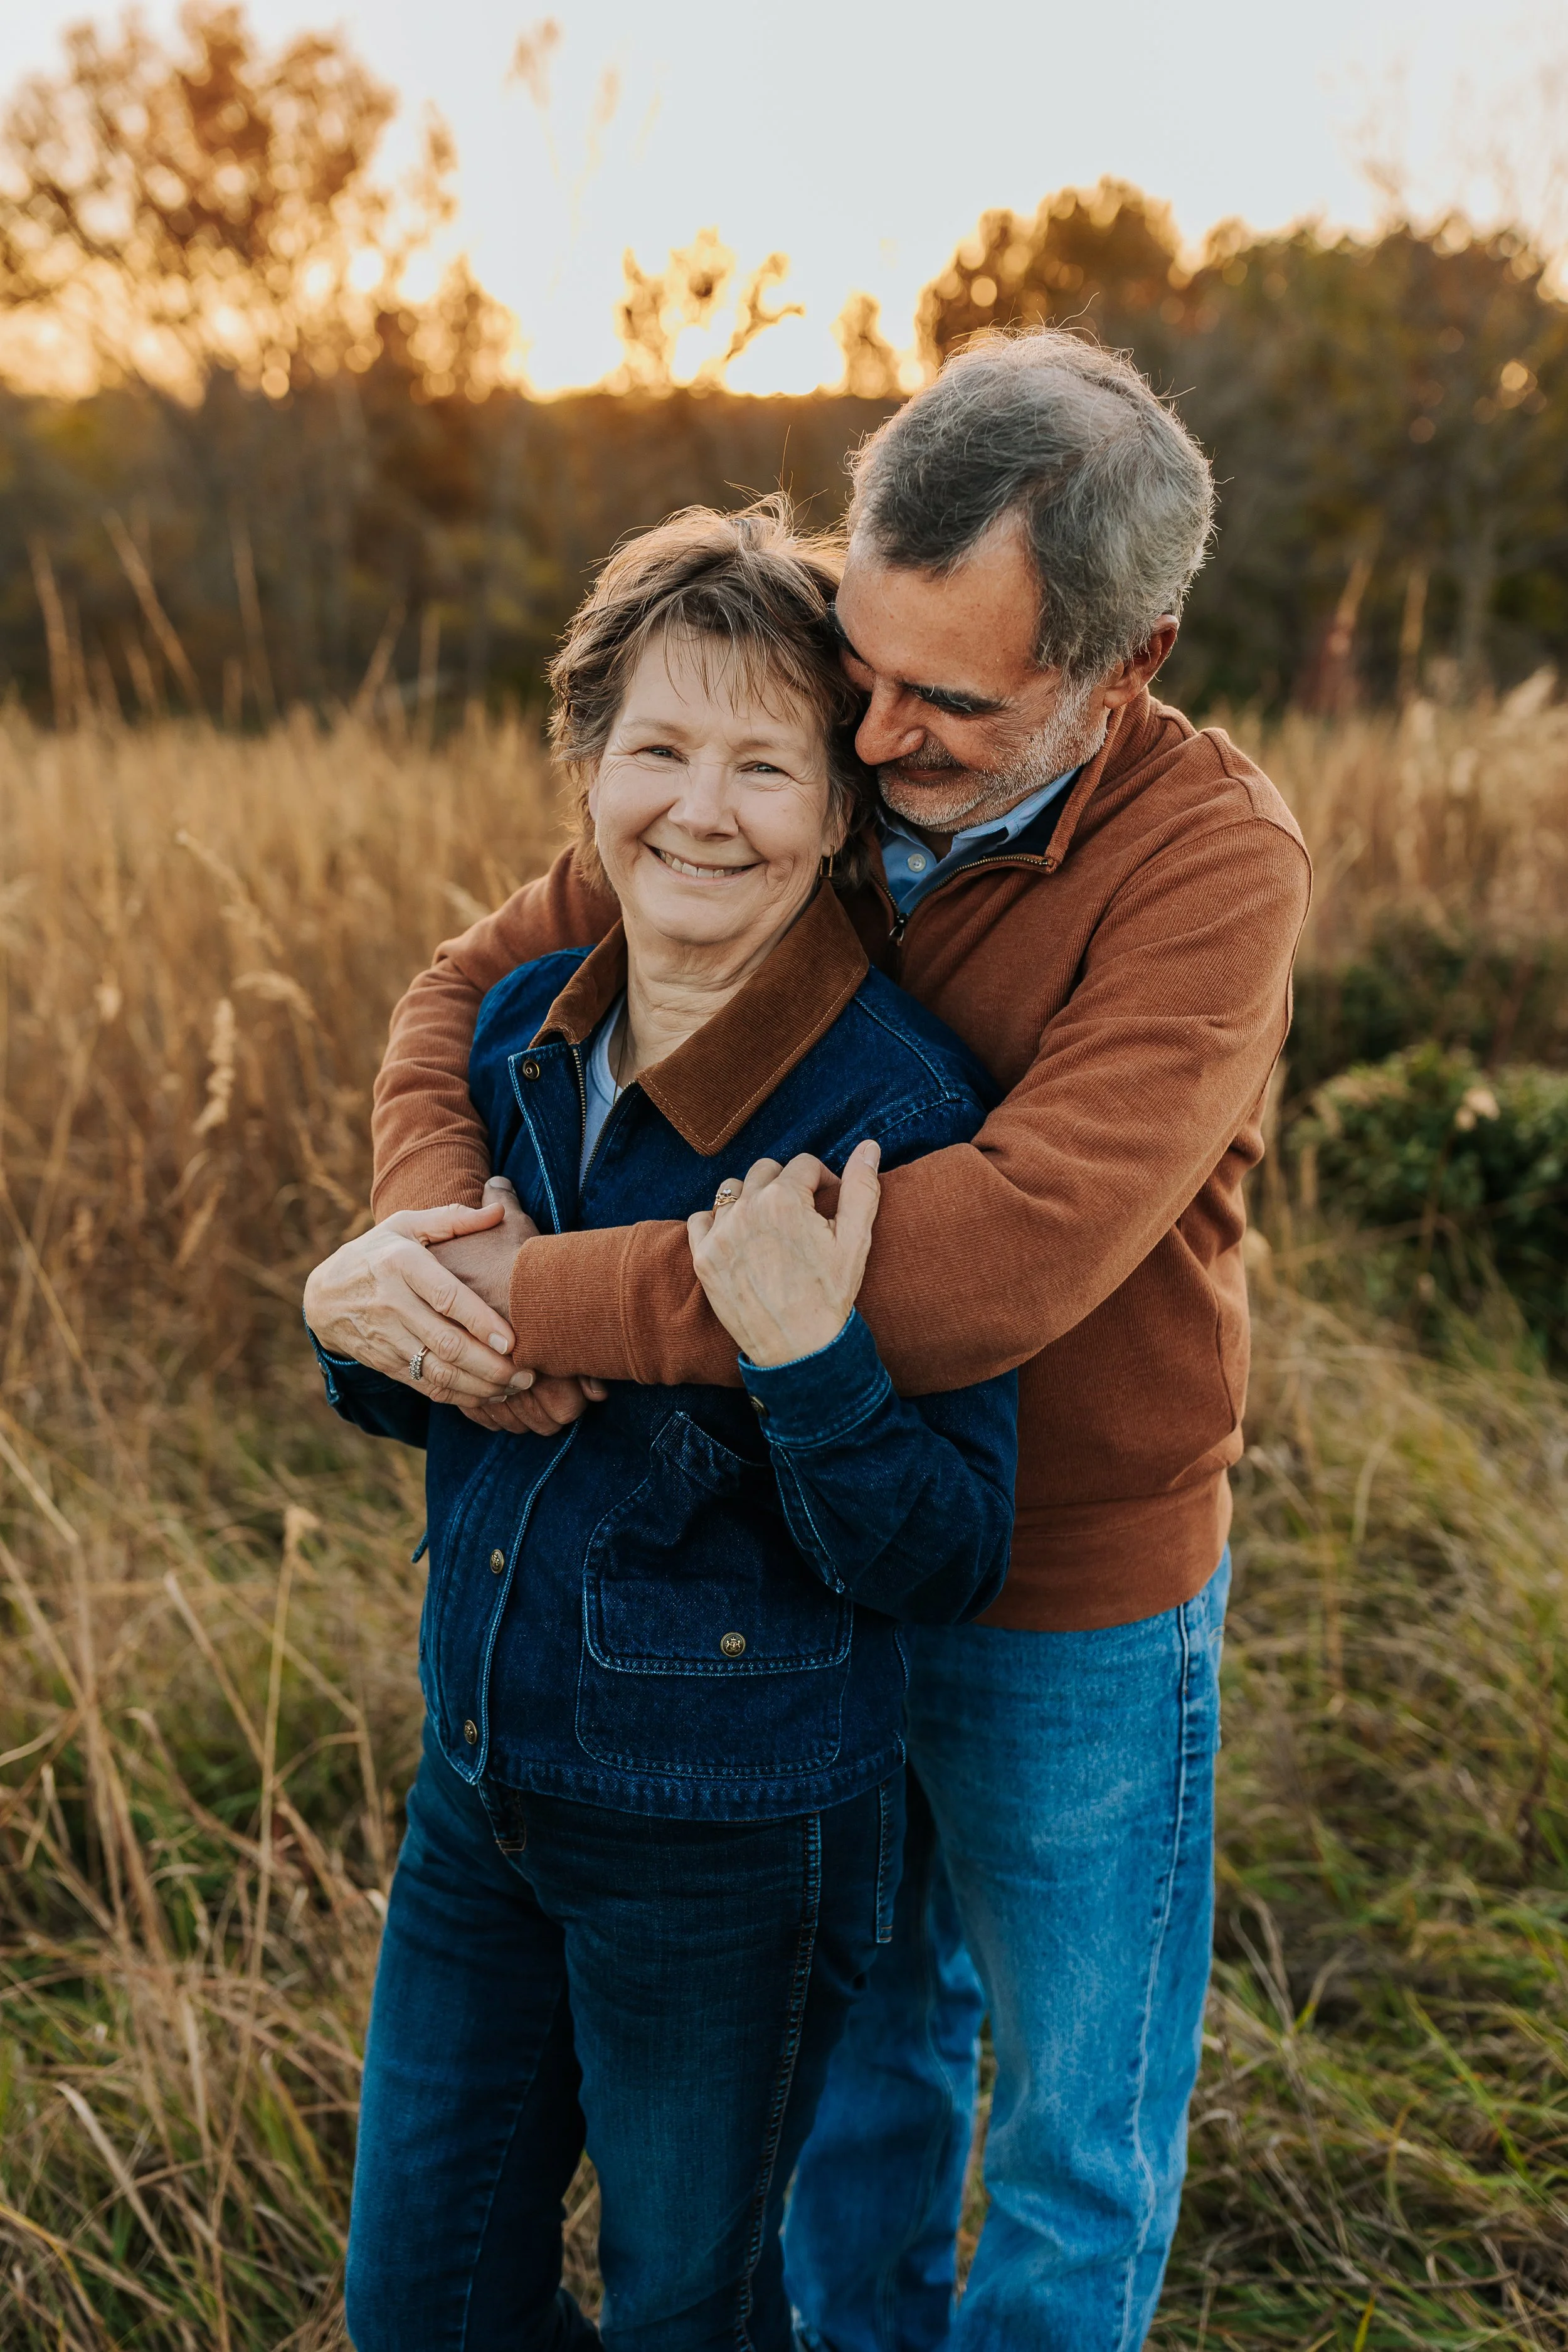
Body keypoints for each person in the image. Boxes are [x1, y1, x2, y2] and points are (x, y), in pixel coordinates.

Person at [351, 330, 1312, 2349]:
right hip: (808, 1570)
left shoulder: (1209, 866)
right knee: (866, 2066)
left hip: (1068, 1582)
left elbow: (981, 1262)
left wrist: (510, 1300)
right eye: (856, 666)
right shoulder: (818, 772)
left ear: (1118, 669)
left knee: (1069, 2127)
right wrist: (411, 1232)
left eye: (941, 698)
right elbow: (479, 977)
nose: (869, 734)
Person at [303, 506, 1019, 2352]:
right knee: (422, 2303)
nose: (701, 811)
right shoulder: (519, 1045)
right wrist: (358, 1311)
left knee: (684, 2307)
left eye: (765, 764)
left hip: (730, 1843)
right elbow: (429, 1393)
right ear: (588, 772)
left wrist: (812, 1365)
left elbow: (941, 1550)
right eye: (657, 749)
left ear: (842, 811)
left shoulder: (897, 1118)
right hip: (479, 1788)